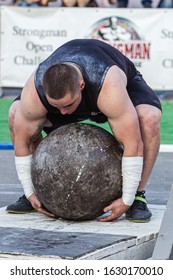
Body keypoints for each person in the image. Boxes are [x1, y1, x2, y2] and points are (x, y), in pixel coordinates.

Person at [6, 39, 162, 222]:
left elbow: (133, 144)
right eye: (57, 106)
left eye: (67, 105)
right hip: (76, 94)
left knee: (148, 118)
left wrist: (126, 198)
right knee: (16, 114)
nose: (63, 113)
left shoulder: (108, 85)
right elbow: (22, 142)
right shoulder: (35, 90)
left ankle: (137, 196)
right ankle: (38, 192)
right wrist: (30, 191)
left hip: (110, 88)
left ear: (81, 85)